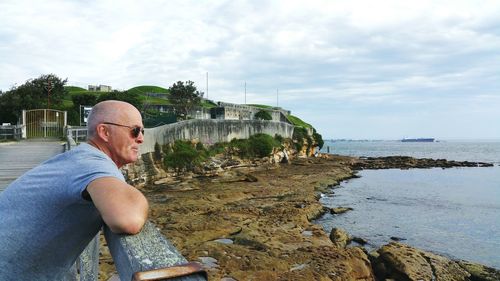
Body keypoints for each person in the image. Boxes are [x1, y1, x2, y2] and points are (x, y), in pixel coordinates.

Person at [0, 100, 149, 280]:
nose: (141, 138)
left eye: (142, 131)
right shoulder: (94, 165)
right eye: (134, 131)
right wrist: (137, 196)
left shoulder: (79, 158)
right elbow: (127, 219)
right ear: (105, 132)